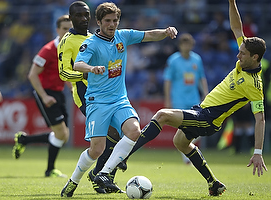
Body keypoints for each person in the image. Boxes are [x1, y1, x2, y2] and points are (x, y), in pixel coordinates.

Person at [124, 0, 268, 196]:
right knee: (180, 142)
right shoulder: (245, 58)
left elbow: (260, 118)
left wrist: (258, 152)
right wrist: (232, 1)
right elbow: (236, 26)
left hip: (209, 119)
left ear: (256, 58)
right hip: (201, 109)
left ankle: (124, 157)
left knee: (161, 115)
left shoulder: (255, 85)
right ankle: (213, 183)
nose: (238, 56)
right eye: (239, 51)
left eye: (242, 54)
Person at [60, 2, 178, 197]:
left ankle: (104, 173)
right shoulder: (91, 43)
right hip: (97, 101)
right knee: (96, 149)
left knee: (134, 130)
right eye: (107, 21)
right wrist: (92, 69)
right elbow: (79, 64)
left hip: (119, 100)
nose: (112, 24)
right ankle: (73, 181)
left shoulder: (123, 36)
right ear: (98, 22)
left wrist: (165, 32)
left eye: (115, 20)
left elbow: (148, 35)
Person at [58, 1, 126, 194]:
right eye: (79, 15)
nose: (84, 19)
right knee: (111, 135)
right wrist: (85, 74)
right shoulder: (67, 41)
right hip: (85, 95)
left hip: (105, 93)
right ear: (71, 18)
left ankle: (101, 176)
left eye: (86, 15)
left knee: (119, 133)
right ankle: (100, 176)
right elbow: (63, 73)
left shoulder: (93, 37)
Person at [12, 15, 73, 178]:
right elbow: (32, 75)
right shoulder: (47, 50)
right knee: (61, 134)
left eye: (70, 29)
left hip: (58, 93)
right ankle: (49, 170)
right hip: (45, 93)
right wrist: (44, 96)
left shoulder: (68, 48)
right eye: (65, 29)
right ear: (57, 30)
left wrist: (72, 87)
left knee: (63, 135)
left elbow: (64, 72)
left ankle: (24, 141)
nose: (68, 32)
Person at [164, 33, 208, 164]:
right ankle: (187, 154)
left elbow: (201, 77)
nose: (186, 47)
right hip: (178, 98)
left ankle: (186, 150)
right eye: (184, 44)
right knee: (183, 128)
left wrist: (206, 94)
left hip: (193, 98)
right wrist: (167, 98)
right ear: (180, 46)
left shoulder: (197, 59)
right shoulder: (173, 60)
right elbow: (167, 80)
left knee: (197, 128)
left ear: (192, 45)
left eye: (188, 44)